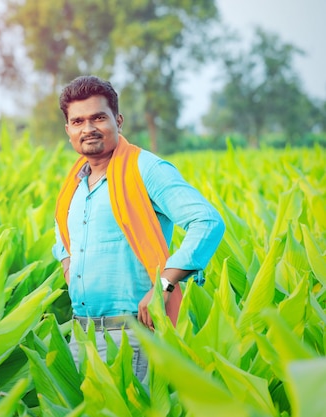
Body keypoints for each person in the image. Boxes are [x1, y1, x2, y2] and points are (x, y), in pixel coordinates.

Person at [52, 75, 225, 382]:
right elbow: (62, 231)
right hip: (82, 334)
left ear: (117, 120)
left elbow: (207, 222)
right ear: (68, 130)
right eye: (78, 121)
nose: (88, 128)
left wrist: (165, 284)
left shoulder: (147, 169)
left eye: (98, 118)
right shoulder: (74, 183)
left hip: (134, 335)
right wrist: (67, 263)